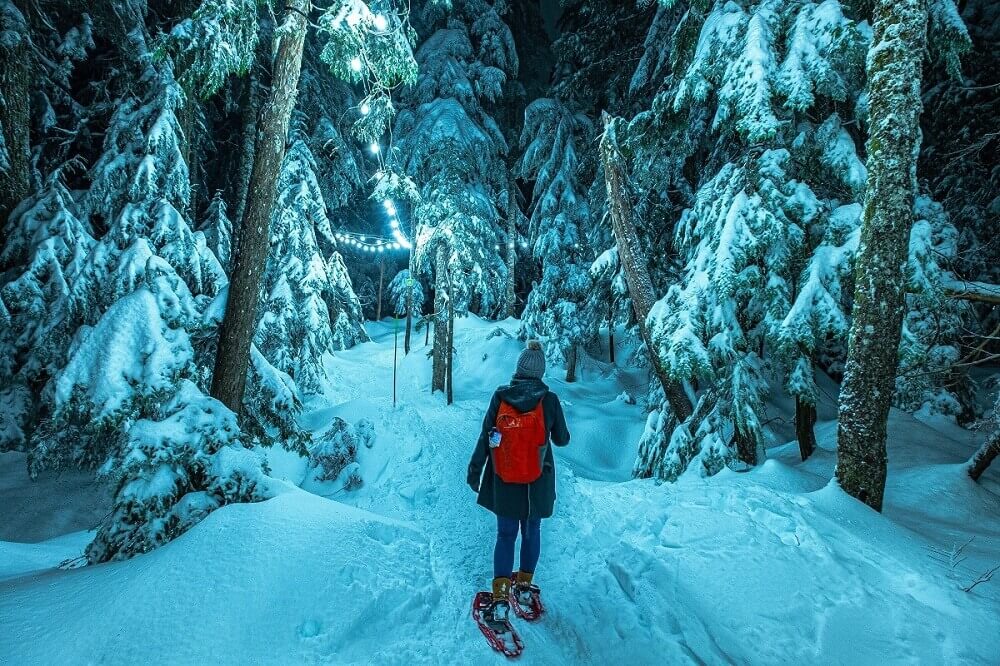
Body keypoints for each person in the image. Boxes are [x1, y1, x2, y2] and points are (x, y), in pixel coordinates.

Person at [467, 339, 570, 621]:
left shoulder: (500, 397)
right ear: (540, 372)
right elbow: (562, 439)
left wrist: (475, 470)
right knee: (531, 531)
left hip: (505, 480)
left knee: (505, 534)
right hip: (537, 483)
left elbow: (486, 437)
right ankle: (523, 588)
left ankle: (500, 597)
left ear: (518, 368)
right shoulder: (548, 401)